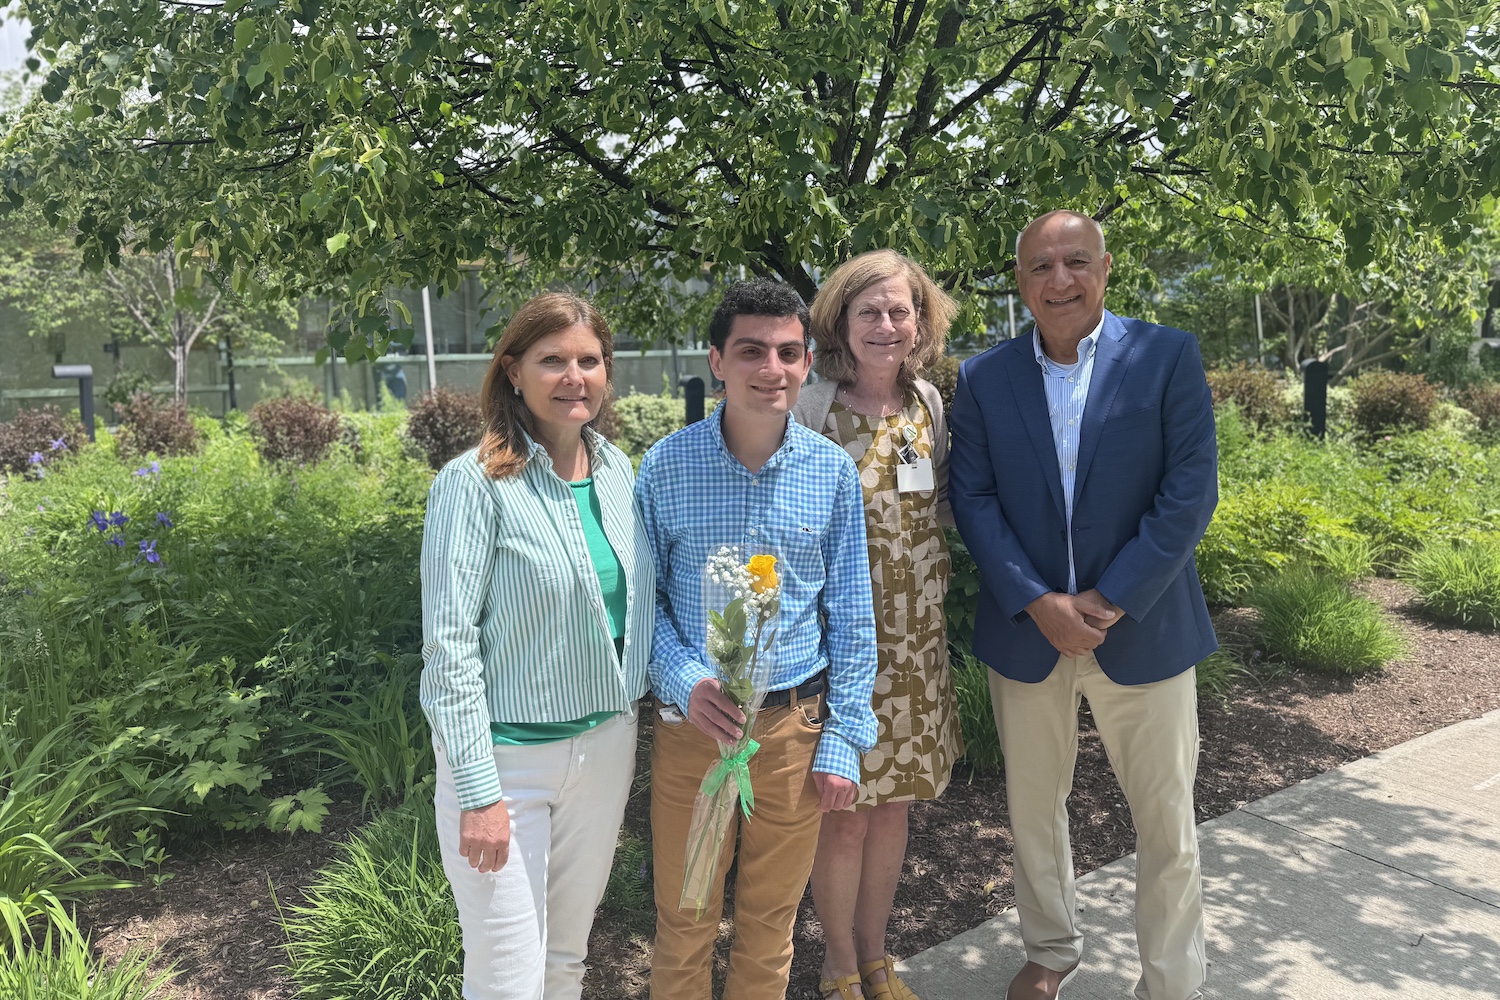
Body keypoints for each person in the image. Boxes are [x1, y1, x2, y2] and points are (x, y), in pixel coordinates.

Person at [949, 210, 1218, 1000]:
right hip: (1027, 634)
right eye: (1040, 266)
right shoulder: (983, 378)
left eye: (1075, 262)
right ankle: (1050, 950)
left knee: (1166, 821)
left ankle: (1171, 981)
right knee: (1033, 811)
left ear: (1105, 269)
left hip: (1145, 628)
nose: (1058, 280)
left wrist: (1107, 599)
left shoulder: (1167, 356)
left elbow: (1189, 492)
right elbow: (974, 499)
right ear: (1020, 281)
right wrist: (1038, 603)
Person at [635, 278, 879, 1000]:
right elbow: (642, 606)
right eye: (751, 351)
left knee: (771, 926)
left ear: (807, 363)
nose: (771, 369)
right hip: (693, 730)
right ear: (716, 361)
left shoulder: (830, 472)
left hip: (793, 734)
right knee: (684, 920)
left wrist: (843, 739)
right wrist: (685, 679)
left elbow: (852, 615)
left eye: (788, 352)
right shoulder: (666, 466)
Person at [419, 292, 654, 1000]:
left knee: (564, 962)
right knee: (507, 980)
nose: (574, 377)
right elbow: (449, 648)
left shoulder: (618, 473)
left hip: (605, 747)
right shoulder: (473, 484)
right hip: (506, 764)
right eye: (553, 360)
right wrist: (478, 793)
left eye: (589, 360)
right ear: (513, 372)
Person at [793, 250, 963, 1000]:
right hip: (842, 648)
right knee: (845, 814)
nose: (886, 325)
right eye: (870, 312)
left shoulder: (927, 403)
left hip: (917, 643)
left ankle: (875, 956)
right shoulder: (812, 407)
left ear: (920, 321)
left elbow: (940, 505)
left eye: (901, 311)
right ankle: (836, 962)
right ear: (840, 321)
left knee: (893, 807)